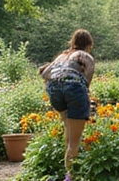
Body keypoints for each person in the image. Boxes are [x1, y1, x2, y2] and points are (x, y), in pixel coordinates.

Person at [40, 29, 95, 172]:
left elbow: (45, 74)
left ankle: (67, 174)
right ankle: (71, 179)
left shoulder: (61, 56)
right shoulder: (85, 56)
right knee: (74, 142)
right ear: (89, 44)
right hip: (74, 88)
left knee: (68, 133)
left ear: (73, 42)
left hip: (55, 91)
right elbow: (87, 81)